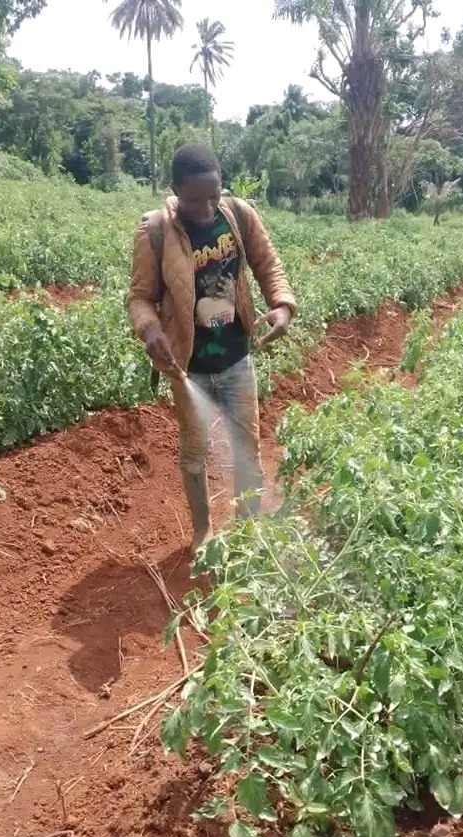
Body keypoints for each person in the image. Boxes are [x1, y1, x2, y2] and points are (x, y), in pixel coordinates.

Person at [126, 143, 297, 554]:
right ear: (174, 191)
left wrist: (282, 306)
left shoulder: (238, 215)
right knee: (194, 450)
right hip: (189, 366)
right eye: (193, 199)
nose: (205, 209)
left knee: (247, 447)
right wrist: (149, 330)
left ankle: (247, 529)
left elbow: (268, 265)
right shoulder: (155, 232)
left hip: (237, 356)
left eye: (213, 195)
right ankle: (202, 530)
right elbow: (139, 297)